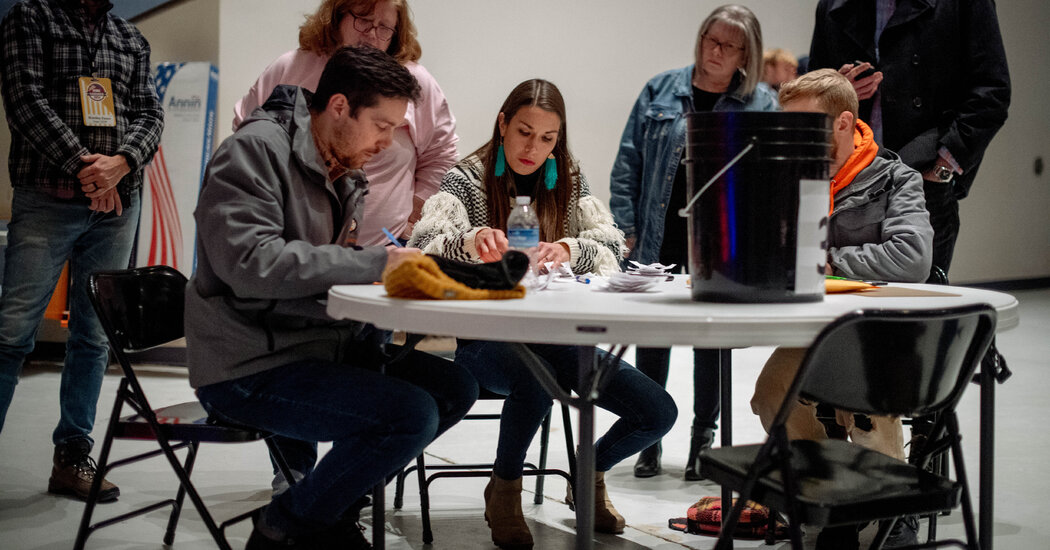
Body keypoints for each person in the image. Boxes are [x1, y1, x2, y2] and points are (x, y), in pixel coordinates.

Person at [185, 46, 478, 549]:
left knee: (454, 388)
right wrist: (374, 264)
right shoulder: (252, 152)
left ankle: (328, 506)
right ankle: (289, 525)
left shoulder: (341, 165)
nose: (388, 143)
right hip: (248, 363)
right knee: (408, 414)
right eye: (382, 126)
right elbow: (251, 265)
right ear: (339, 106)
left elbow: (314, 270)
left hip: (312, 342)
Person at [410, 79, 677, 549]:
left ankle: (587, 471)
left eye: (548, 138)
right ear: (503, 125)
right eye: (524, 132)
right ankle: (505, 489)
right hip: (486, 342)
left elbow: (613, 246)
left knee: (657, 412)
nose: (533, 148)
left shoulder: (568, 179)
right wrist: (470, 243)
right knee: (534, 382)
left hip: (562, 337)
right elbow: (421, 250)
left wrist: (570, 247)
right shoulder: (466, 179)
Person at [749, 69, 933, 549]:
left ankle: (892, 508)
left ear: (844, 123)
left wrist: (823, 262)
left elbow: (911, 259)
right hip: (814, 333)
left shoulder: (897, 179)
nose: (791, 140)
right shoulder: (788, 179)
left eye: (802, 128)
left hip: (881, 335)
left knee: (867, 405)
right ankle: (833, 498)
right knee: (772, 395)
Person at [0, 0, 164, 502]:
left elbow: (150, 115)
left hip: (117, 206)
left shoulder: (129, 37)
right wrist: (86, 168)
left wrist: (121, 163)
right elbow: (25, 101)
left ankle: (72, 458)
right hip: (47, 198)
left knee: (94, 338)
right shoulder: (30, 16)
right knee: (13, 332)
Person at [608, 4, 778, 481]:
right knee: (653, 338)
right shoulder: (660, 90)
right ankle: (649, 435)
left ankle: (704, 437)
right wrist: (625, 226)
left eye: (728, 45)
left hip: (721, 241)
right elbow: (628, 164)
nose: (715, 52)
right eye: (710, 40)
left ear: (747, 53)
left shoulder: (760, 104)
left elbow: (768, 181)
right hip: (657, 234)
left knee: (710, 343)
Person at [807, 0, 1010, 280]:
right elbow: (809, 95)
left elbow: (991, 93)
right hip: (844, 184)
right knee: (833, 304)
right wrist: (836, 90)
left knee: (916, 306)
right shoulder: (833, 6)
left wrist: (941, 170)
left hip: (926, 175)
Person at [233, 0, 457, 246]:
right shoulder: (291, 68)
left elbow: (441, 153)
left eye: (384, 28)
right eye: (363, 20)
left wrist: (416, 211)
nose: (372, 35)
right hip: (293, 246)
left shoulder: (413, 83)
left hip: (383, 244)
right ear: (336, 16)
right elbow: (248, 132)